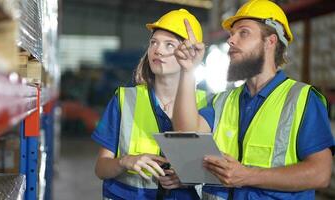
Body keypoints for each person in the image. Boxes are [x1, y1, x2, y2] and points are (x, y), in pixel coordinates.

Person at [172, 0, 335, 199]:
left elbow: (320, 174)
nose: (231, 40)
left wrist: (248, 176)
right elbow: (185, 134)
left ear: (270, 42)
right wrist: (188, 71)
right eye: (232, 34)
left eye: (243, 33)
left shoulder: (302, 99)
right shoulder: (223, 100)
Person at [92, 9, 212, 199]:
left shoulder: (208, 104)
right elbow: (101, 168)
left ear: (191, 53)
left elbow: (221, 171)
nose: (158, 50)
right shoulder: (125, 100)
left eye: (169, 45)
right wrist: (125, 162)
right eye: (153, 43)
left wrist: (191, 178)